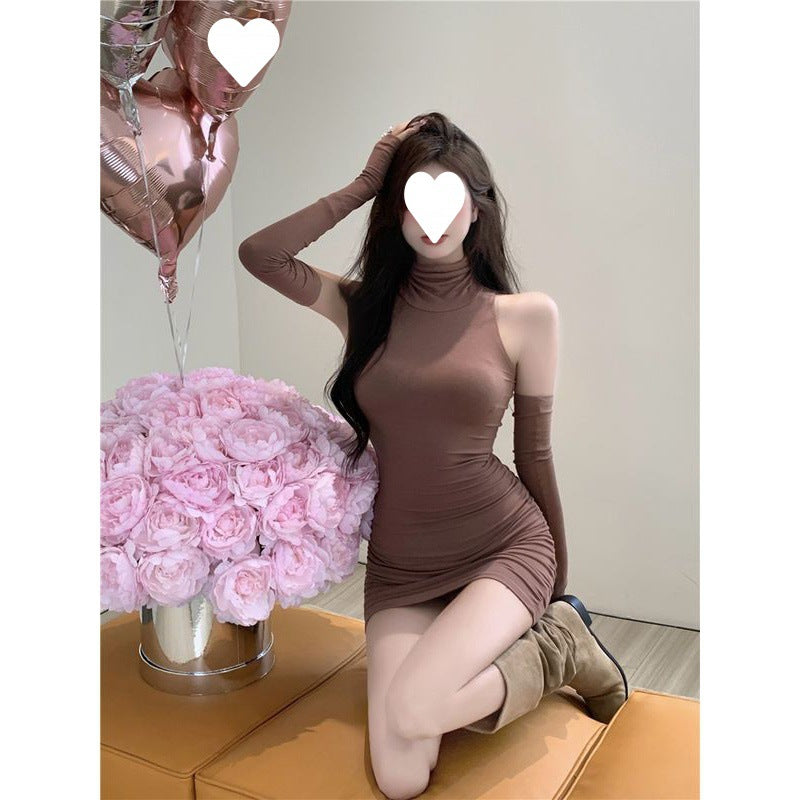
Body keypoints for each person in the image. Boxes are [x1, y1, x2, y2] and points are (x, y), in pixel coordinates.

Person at [238, 112, 627, 800]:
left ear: (477, 209)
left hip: (503, 546)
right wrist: (364, 183)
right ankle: (539, 652)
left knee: (417, 709)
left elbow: (534, 455)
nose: (432, 219)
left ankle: (561, 644)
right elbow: (260, 255)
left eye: (449, 199)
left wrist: (555, 579)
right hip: (404, 566)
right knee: (399, 777)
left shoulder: (526, 316)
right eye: (413, 199)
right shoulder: (363, 309)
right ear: (395, 212)